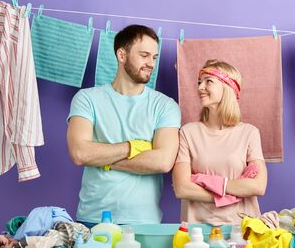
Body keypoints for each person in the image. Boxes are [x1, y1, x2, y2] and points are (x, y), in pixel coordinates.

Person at [67, 24, 181, 227]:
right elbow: (80, 153)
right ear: (122, 55)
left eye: (154, 57)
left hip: (144, 222)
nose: (151, 64)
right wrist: (134, 146)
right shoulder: (87, 99)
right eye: (144, 55)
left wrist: (103, 159)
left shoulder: (166, 105)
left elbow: (163, 162)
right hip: (93, 218)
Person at [172, 59, 268, 225]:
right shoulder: (188, 132)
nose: (200, 87)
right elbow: (182, 188)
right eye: (199, 82)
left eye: (208, 81)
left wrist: (206, 181)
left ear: (228, 87)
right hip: (198, 231)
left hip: (243, 230)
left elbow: (258, 186)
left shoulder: (249, 133)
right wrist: (230, 195)